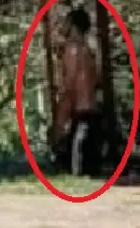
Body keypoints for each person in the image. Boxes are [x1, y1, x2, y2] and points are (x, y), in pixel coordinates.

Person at [53, 7, 103, 176]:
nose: (63, 26)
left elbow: (70, 85)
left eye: (66, 22)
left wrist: (61, 119)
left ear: (73, 26)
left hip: (80, 110)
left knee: (77, 165)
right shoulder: (88, 50)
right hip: (91, 110)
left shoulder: (73, 49)